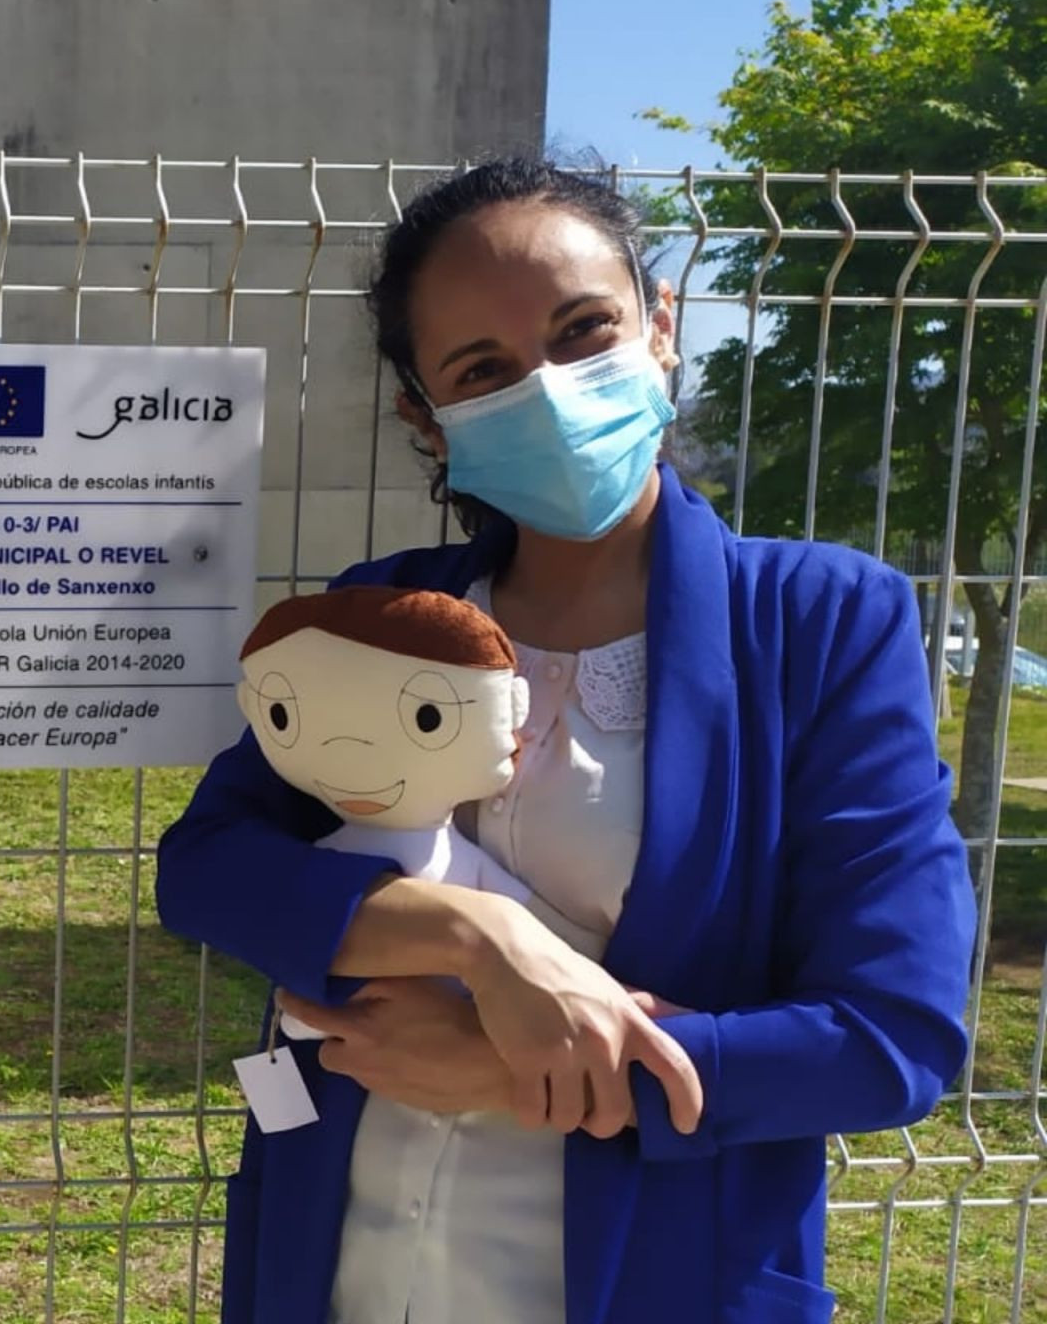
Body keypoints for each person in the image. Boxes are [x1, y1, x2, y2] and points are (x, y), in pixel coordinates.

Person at [155, 156, 974, 1324]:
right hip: (338, 1269)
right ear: (422, 414)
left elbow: (888, 1036)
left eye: (584, 331)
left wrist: (514, 1067)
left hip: (658, 1278)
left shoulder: (820, 623)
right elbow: (206, 868)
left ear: (661, 328)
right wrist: (481, 940)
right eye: (482, 369)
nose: (547, 389)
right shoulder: (383, 613)